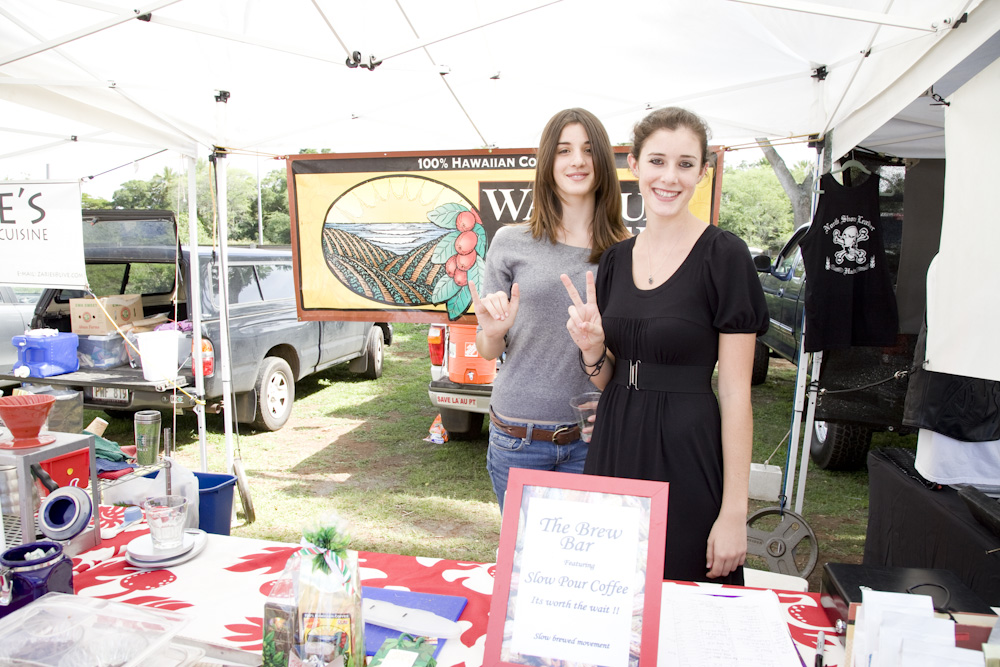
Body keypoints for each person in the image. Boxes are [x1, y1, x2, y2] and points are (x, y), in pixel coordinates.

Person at [562, 107, 768, 584]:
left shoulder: (725, 256)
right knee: (607, 588)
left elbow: (737, 395)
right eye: (657, 161)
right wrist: (593, 348)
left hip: (686, 447)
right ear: (634, 165)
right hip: (615, 439)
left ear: (703, 171)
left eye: (685, 164)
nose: (669, 177)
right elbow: (610, 371)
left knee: (681, 594)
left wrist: (734, 513)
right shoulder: (616, 259)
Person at [469, 108, 631, 511]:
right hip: (517, 439)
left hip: (591, 441)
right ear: (548, 162)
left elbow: (626, 357)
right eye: (564, 150)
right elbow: (489, 350)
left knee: (581, 564)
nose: (577, 160)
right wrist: (492, 331)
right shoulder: (511, 241)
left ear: (604, 164)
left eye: (588, 150)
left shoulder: (626, 252)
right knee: (521, 564)